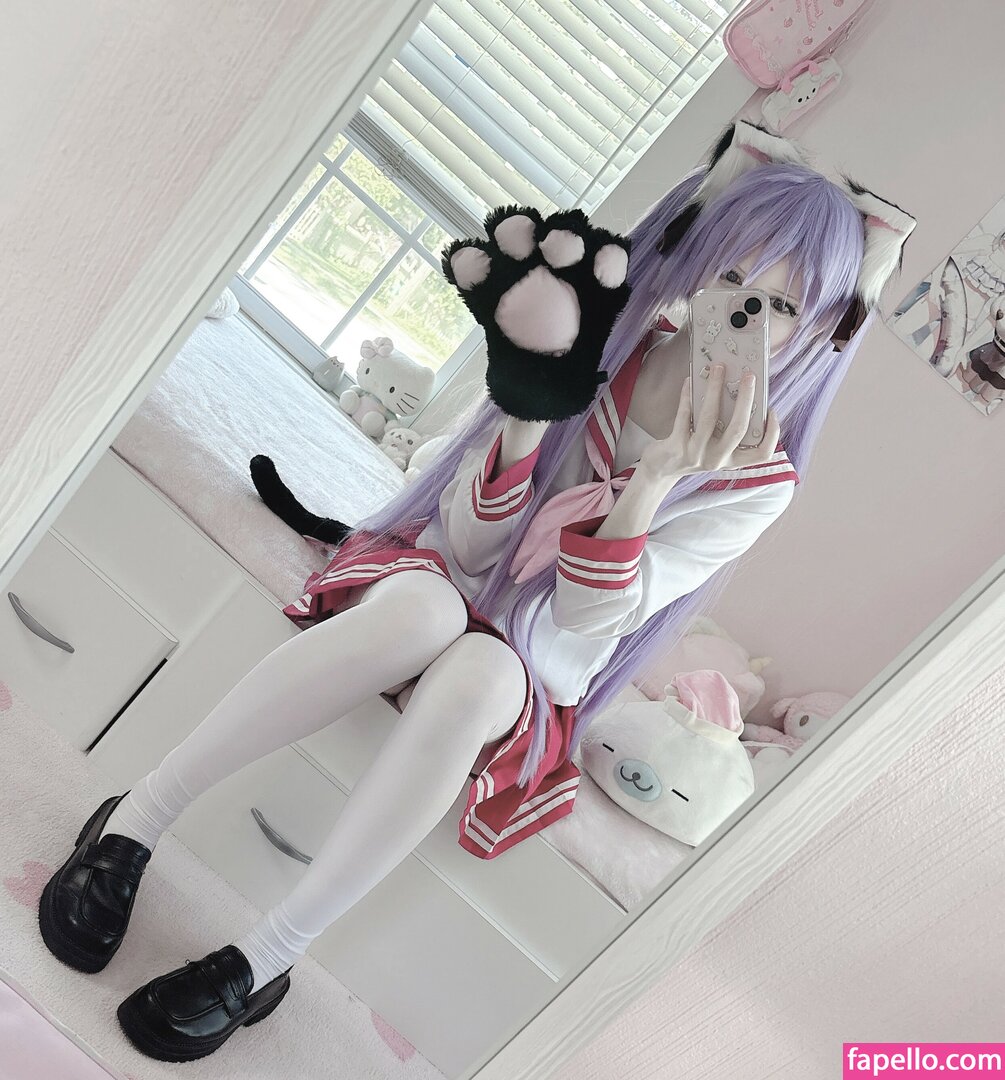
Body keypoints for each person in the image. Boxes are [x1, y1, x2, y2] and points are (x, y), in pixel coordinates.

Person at [37, 119, 916, 1062]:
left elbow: (588, 617)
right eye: (732, 278)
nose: (746, 317)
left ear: (819, 325)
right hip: (443, 579)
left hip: (534, 663)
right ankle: (135, 820)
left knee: (479, 674)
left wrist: (658, 479)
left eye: (781, 306)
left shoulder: (758, 483)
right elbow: (465, 542)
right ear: (694, 264)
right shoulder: (596, 341)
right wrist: (532, 413)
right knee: (428, 611)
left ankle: (268, 957)